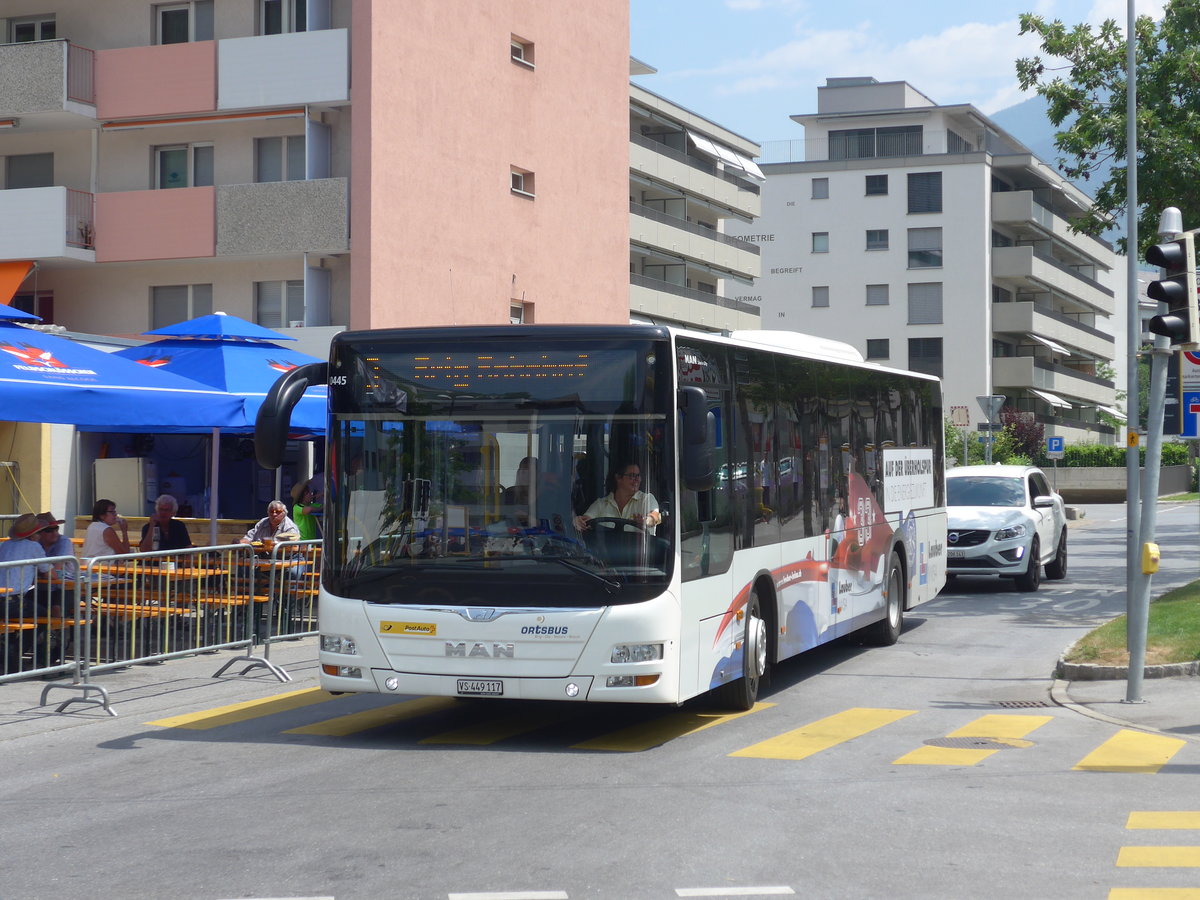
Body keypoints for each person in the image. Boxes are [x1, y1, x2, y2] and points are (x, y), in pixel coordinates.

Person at [573, 461, 661, 533]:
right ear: (618, 477)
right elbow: (586, 522)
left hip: (641, 554)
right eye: (632, 476)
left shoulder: (647, 499)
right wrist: (578, 521)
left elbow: (656, 517)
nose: (637, 480)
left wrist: (647, 520)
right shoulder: (600, 504)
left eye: (638, 476)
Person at [0, 513, 55, 616]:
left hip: (5, 600)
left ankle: (16, 633)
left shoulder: (4, 545)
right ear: (33, 534)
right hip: (14, 602)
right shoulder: (34, 546)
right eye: (39, 532)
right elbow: (52, 575)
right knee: (46, 616)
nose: (40, 536)